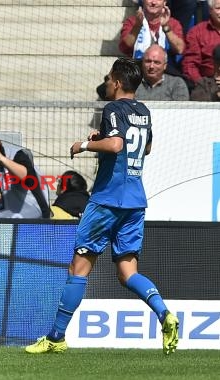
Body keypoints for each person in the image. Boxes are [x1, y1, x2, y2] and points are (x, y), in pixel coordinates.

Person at [24, 58, 179, 355]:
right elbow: (145, 147)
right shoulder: (143, 112)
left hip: (107, 200)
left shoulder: (112, 109)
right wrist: (105, 139)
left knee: (78, 268)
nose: (106, 83)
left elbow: (117, 145)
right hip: (135, 201)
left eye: (109, 79)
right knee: (127, 272)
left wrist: (83, 145)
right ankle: (164, 313)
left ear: (118, 82)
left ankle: (56, 338)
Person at [119, 0, 185, 74]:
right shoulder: (133, 21)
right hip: (137, 72)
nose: (153, 2)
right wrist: (137, 26)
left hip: (165, 73)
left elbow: (180, 49)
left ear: (165, 2)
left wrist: (166, 27)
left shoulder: (173, 23)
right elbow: (124, 48)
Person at [182, 0, 220, 86]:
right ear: (210, 10)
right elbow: (190, 65)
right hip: (208, 84)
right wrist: (203, 85)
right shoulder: (197, 32)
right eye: (218, 8)